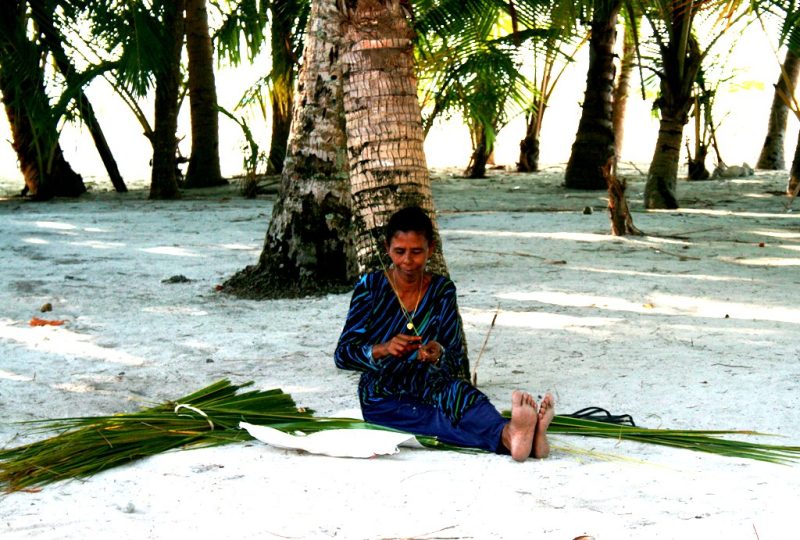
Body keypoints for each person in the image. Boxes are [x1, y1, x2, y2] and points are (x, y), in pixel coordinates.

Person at [334, 206, 554, 461]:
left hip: (430, 382)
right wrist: (383, 349)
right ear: (387, 249)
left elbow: (454, 355)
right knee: (433, 419)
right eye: (399, 252)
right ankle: (511, 437)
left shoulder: (441, 290)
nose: (407, 260)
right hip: (382, 392)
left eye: (417, 252)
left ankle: (515, 435)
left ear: (431, 249)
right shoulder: (369, 288)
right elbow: (342, 355)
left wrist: (438, 352)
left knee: (462, 395)